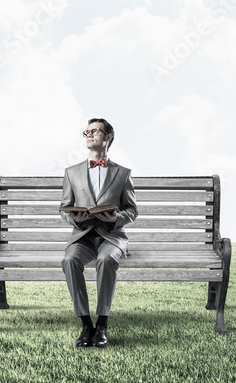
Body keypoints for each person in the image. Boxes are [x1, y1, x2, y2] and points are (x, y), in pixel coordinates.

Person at [59, 118, 138, 348]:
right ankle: (86, 325)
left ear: (108, 137)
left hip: (111, 236)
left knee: (105, 259)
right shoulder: (71, 172)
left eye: (94, 131)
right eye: (87, 131)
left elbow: (132, 210)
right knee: (69, 259)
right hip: (82, 235)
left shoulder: (122, 173)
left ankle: (102, 324)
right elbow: (64, 208)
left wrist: (116, 218)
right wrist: (74, 218)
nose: (89, 134)